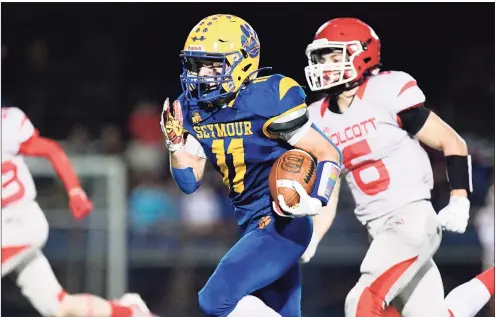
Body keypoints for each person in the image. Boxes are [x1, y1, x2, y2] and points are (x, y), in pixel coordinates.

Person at [302, 17, 492, 316]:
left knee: (362, 302)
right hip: (377, 229)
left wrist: (459, 200)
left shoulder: (386, 90)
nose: (326, 65)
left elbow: (452, 141)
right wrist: (312, 235)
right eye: (322, 58)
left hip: (411, 219)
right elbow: (330, 189)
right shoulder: (318, 117)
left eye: (335, 56)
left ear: (362, 53)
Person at [160, 14, 342, 317]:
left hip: (283, 221)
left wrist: (317, 198)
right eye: (197, 64)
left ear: (243, 62)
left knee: (215, 300)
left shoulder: (268, 99)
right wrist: (175, 146)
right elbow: (189, 183)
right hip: (248, 224)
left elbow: (328, 152)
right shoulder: (193, 108)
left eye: (213, 64)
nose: (202, 74)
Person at [1, 106, 155, 317]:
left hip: (20, 222)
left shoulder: (6, 123)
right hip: (8, 230)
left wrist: (75, 190)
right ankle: (130, 311)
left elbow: (51, 149)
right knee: (59, 307)